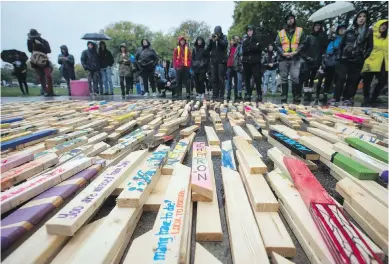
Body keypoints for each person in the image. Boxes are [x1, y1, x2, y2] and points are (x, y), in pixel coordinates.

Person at [333, 10, 373, 106]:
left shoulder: (368, 32)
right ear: (356, 18)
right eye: (360, 16)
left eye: (364, 16)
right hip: (344, 58)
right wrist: (339, 56)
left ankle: (347, 98)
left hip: (357, 59)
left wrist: (363, 57)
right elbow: (341, 45)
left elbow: (370, 47)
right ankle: (336, 98)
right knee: (341, 78)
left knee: (352, 80)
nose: (361, 18)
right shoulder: (349, 30)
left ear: (366, 19)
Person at [275, 13, 306, 103]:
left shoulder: (300, 31)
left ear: (294, 19)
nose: (290, 20)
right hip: (283, 58)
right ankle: (284, 96)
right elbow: (277, 45)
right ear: (286, 21)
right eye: (288, 19)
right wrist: (282, 53)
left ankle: (296, 96)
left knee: (295, 77)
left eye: (292, 18)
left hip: (295, 58)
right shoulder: (281, 33)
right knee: (283, 78)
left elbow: (303, 43)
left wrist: (297, 51)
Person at [317, 23, 347, 103]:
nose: (342, 30)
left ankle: (336, 96)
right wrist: (330, 33)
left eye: (344, 29)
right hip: (329, 61)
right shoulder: (333, 38)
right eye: (340, 29)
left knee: (338, 79)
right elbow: (325, 44)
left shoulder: (345, 39)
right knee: (327, 79)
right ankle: (324, 94)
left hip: (339, 61)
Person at [362, 19, 388, 106]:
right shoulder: (371, 35)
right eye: (382, 25)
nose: (384, 26)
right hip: (371, 61)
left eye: (385, 25)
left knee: (383, 81)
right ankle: (366, 99)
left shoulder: (386, 37)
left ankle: (373, 98)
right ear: (378, 25)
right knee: (367, 81)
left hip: (383, 63)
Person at [300, 21, 328, 102]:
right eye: (316, 25)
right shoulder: (309, 37)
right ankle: (305, 94)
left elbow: (324, 47)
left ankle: (309, 94)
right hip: (308, 61)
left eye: (319, 26)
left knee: (312, 78)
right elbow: (302, 50)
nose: (317, 27)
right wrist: (307, 57)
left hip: (316, 61)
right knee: (306, 78)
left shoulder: (322, 37)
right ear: (313, 27)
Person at [27, 29, 56, 96]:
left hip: (44, 60)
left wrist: (40, 46)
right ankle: (45, 91)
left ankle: (50, 91)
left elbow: (49, 50)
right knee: (41, 76)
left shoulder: (44, 41)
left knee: (48, 75)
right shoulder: (30, 42)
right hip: (35, 61)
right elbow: (30, 50)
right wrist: (29, 41)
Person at [242, 25, 263, 102]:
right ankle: (248, 93)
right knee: (247, 79)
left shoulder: (258, 39)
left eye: (250, 30)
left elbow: (259, 48)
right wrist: (253, 47)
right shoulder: (245, 41)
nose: (249, 32)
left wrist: (250, 48)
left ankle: (259, 94)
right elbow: (244, 50)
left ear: (253, 31)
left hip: (255, 62)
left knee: (257, 78)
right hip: (246, 62)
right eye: (248, 31)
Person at [206, 26, 228, 100]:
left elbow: (225, 45)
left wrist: (218, 39)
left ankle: (221, 94)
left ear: (220, 32)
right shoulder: (213, 38)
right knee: (213, 78)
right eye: (215, 32)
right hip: (213, 61)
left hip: (221, 61)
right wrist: (210, 41)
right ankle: (215, 94)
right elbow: (208, 50)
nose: (216, 34)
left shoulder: (224, 37)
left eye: (217, 32)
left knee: (221, 78)